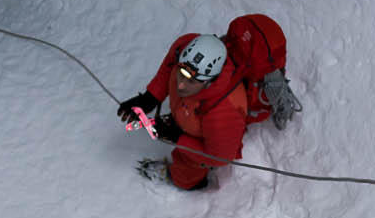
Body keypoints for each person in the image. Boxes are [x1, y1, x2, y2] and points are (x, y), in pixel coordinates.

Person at [117, 14, 301, 189]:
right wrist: (150, 97)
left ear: (211, 80)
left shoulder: (224, 111)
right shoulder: (184, 46)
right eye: (181, 73)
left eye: (191, 80)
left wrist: (179, 139)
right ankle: (182, 121)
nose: (180, 85)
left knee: (187, 167)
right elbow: (168, 67)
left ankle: (183, 179)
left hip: (209, 134)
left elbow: (220, 157)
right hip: (190, 112)